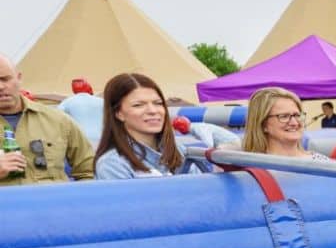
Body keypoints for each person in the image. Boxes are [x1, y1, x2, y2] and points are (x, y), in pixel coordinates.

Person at [0, 53, 97, 185]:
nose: (1, 87)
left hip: (55, 204)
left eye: (5, 79)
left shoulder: (58, 121)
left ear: (19, 78)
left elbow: (88, 171)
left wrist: (78, 202)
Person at [95, 72, 214, 178]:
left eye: (158, 103)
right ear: (118, 113)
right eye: (138, 105)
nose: (152, 111)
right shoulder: (112, 164)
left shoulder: (180, 151)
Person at [242, 87, 331, 160]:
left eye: (297, 115)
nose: (294, 122)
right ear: (263, 124)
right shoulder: (251, 168)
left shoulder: (323, 163)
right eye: (284, 116)